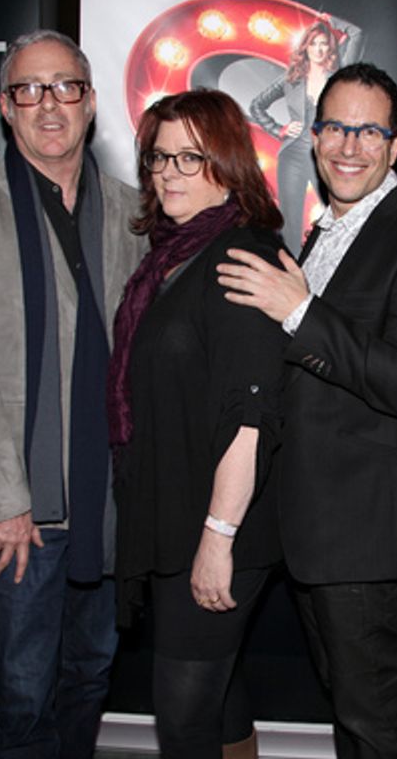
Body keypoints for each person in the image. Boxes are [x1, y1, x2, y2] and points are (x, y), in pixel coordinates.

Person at [218, 62, 397, 758]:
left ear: (396, 145)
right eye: (334, 127)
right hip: (314, 525)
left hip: (364, 531)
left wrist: (298, 311)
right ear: (313, 134)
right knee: (351, 711)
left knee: (372, 718)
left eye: (368, 130)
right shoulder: (331, 228)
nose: (348, 145)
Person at [0, 30, 145, 757]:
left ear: (88, 103)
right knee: (23, 695)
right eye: (30, 88)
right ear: (6, 108)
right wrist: (0, 502)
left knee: (91, 673)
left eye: (65, 87)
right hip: (17, 513)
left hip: (108, 505)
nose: (49, 104)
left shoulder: (132, 212)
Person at [109, 89, 286, 758]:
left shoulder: (241, 257)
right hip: (177, 515)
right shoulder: (170, 258)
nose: (170, 173)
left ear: (228, 163)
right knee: (218, 696)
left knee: (183, 721)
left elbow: (252, 417)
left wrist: (218, 538)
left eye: (192, 157)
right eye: (160, 158)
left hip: (217, 527)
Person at [250, 15, 363, 253]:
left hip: (326, 152)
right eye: (313, 44)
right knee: (289, 219)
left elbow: (356, 33)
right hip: (293, 154)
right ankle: (290, 273)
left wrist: (331, 20)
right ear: (305, 48)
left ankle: (337, 266)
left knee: (338, 212)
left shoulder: (340, 75)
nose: (319, 49)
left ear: (330, 47)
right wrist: (278, 129)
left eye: (324, 44)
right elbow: (256, 106)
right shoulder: (292, 79)